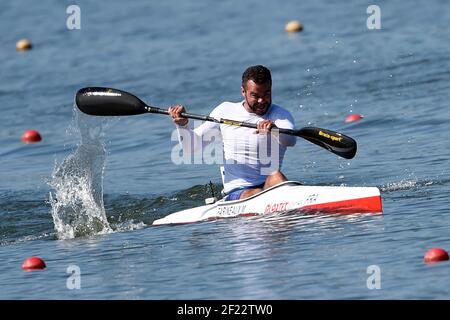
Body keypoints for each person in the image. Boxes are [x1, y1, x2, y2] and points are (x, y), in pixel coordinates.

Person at [168, 65, 296, 201]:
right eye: (255, 95)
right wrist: (182, 126)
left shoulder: (281, 115)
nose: (261, 101)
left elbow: (290, 140)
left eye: (266, 94)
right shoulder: (225, 111)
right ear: (243, 91)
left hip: (269, 185)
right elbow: (191, 148)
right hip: (238, 191)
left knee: (277, 176)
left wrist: (275, 131)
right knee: (256, 192)